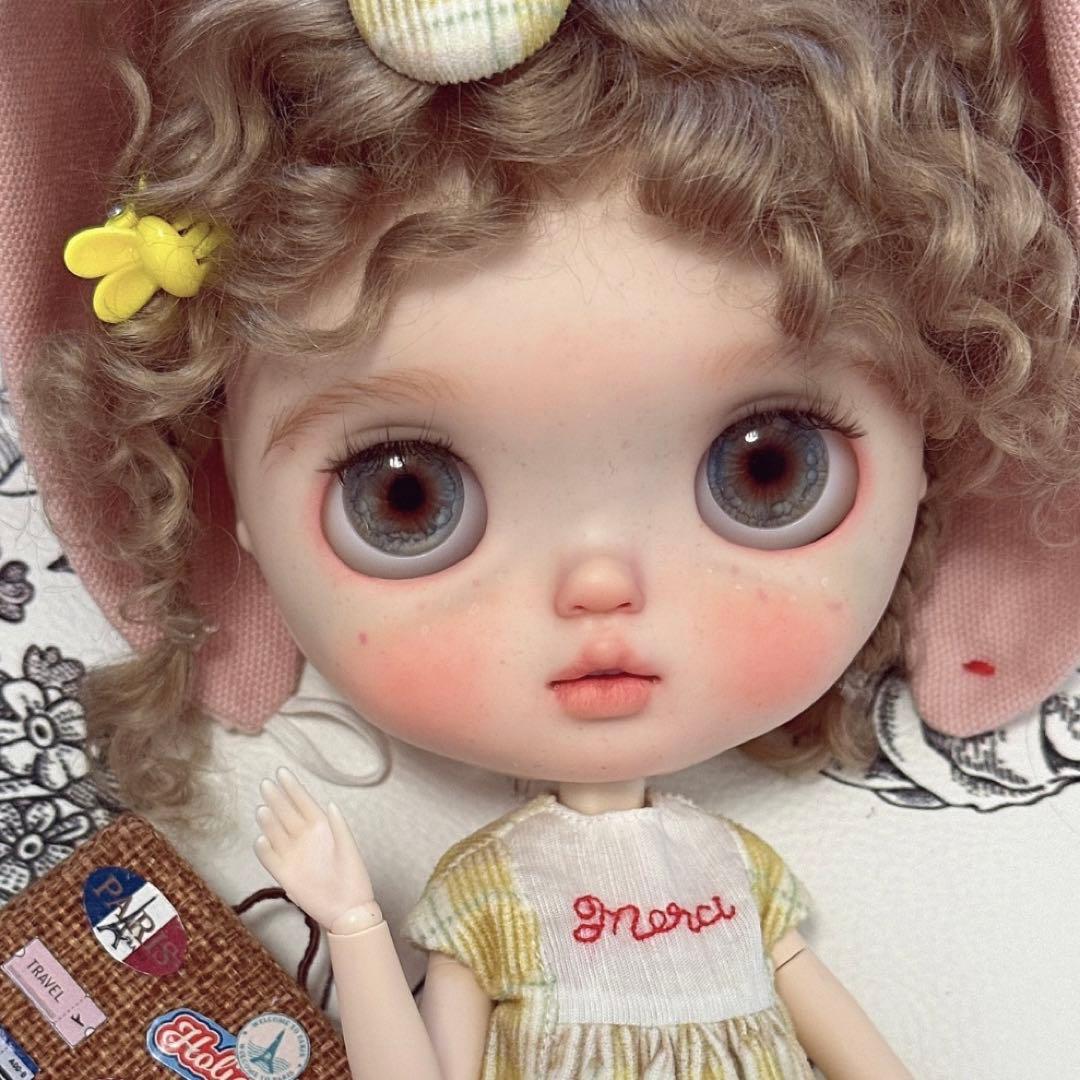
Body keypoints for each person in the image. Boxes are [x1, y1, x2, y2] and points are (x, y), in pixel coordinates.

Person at [9, 0, 1080, 1076]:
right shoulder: (492, 893)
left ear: (939, 440)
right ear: (226, 502)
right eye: (407, 499)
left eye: (768, 470)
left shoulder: (738, 878)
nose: (599, 586)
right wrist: (352, 921)